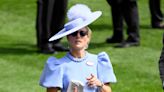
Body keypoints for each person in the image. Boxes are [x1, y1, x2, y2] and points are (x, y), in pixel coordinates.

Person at [39, 4, 117, 92]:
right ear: (68, 38)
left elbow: (108, 90)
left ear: (88, 37)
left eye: (82, 33)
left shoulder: (99, 61)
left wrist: (99, 84)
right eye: (74, 33)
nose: (78, 36)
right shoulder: (59, 66)